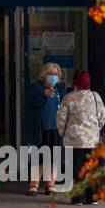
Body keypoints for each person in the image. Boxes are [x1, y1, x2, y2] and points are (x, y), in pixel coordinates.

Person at [56, 70, 105, 205]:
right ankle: (93, 197)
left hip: (74, 139)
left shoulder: (69, 97)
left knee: (77, 169)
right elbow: (102, 117)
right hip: (92, 139)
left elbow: (61, 118)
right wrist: (95, 129)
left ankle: (79, 198)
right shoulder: (96, 97)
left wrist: (63, 132)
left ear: (75, 82)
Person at [26, 62, 67, 195]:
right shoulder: (35, 87)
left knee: (54, 156)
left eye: (55, 74)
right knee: (39, 156)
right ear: (43, 75)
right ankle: (34, 184)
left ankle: (51, 184)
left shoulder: (60, 89)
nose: (53, 76)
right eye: (50, 73)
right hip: (40, 127)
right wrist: (44, 94)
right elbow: (30, 102)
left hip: (55, 128)